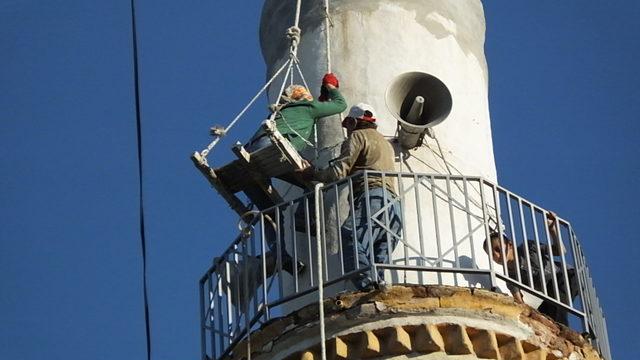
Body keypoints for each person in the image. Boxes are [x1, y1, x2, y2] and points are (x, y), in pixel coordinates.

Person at [301, 103, 402, 291]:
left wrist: (313, 174)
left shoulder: (358, 136)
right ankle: (378, 288)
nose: (347, 130)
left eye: (347, 124)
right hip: (393, 206)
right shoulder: (386, 144)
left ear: (354, 121)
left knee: (349, 236)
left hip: (371, 198)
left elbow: (339, 171)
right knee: (377, 256)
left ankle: (366, 287)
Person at [483, 212, 579, 325]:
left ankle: (565, 335)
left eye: (498, 249)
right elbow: (520, 302)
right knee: (542, 318)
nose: (497, 256)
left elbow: (560, 251)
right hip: (549, 292)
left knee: (556, 305)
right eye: (492, 254)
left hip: (566, 276)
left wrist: (553, 230)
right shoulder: (510, 277)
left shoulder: (528, 248)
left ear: (510, 244)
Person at [246, 73, 347, 153]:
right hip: (274, 144)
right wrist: (330, 86)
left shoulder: (282, 110)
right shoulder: (309, 108)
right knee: (306, 172)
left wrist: (322, 101)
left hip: (254, 146)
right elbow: (341, 104)